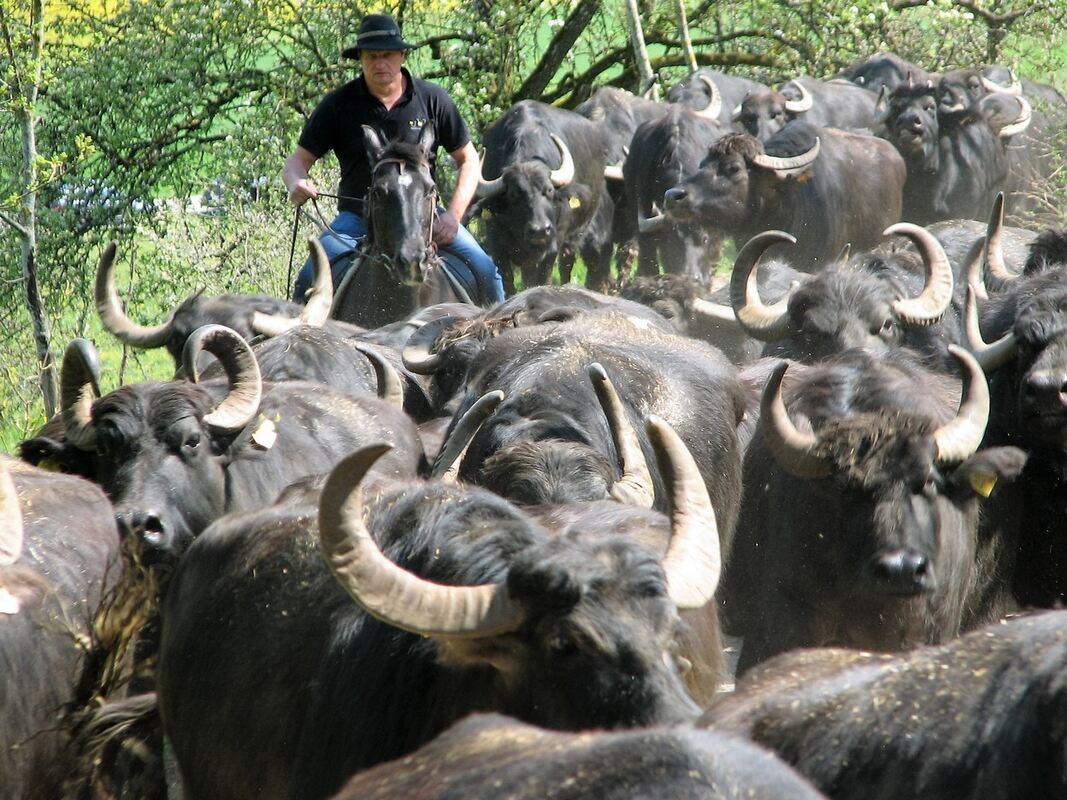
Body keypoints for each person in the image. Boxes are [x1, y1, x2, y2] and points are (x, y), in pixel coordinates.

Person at [282, 12, 505, 306]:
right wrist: (297, 182)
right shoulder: (339, 104)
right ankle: (299, 345)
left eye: (387, 55)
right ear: (361, 58)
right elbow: (296, 162)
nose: (380, 63)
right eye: (371, 56)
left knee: (487, 272)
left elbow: (468, 160)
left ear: (402, 55)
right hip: (357, 220)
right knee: (309, 275)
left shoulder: (433, 99)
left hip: (425, 218)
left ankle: (501, 341)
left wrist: (452, 217)